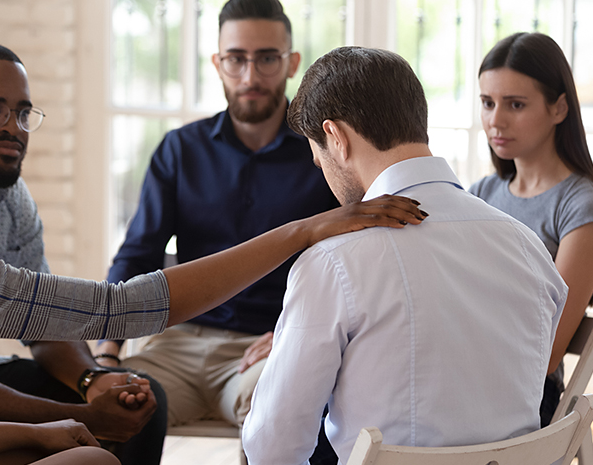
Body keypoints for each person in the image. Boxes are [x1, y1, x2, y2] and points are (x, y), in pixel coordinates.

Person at [0, 36, 425, 465]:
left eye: (24, 111)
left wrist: (60, 416)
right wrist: (306, 229)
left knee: (94, 429)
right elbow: (122, 307)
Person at [241, 46, 568, 465]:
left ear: (336, 139)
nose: (320, 170)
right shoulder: (528, 247)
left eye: (317, 155)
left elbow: (273, 445)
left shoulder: (334, 261)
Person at [0, 43, 166, 465]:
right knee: (89, 430)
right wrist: (78, 415)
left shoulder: (12, 199)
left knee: (139, 401)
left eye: (22, 113)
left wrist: (91, 380)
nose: (13, 126)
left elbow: (40, 323)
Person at [96, 0, 338, 441]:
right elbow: (137, 254)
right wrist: (107, 353)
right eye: (236, 59)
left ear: (291, 63)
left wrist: (296, 334)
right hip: (177, 345)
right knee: (111, 406)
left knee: (281, 411)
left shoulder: (323, 153)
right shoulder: (180, 150)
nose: (251, 75)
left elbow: (353, 259)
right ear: (217, 62)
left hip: (269, 345)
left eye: (267, 58)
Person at [470, 32, 593, 427]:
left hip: (521, 398)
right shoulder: (481, 193)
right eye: (487, 103)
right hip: (460, 375)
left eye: (516, 105)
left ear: (559, 108)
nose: (495, 120)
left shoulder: (580, 204)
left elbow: (549, 351)